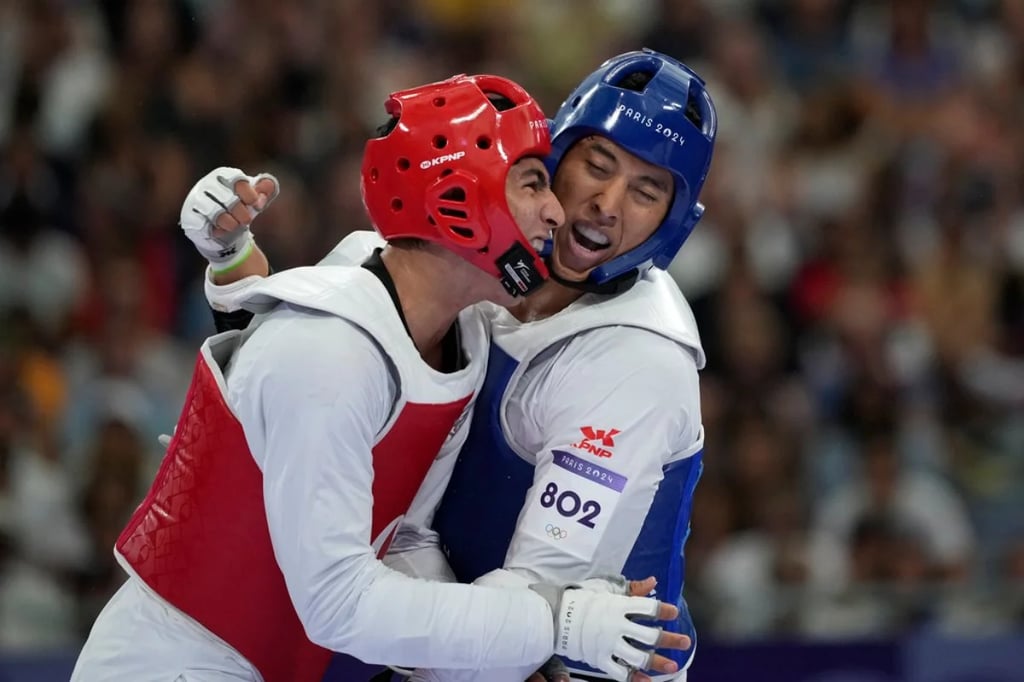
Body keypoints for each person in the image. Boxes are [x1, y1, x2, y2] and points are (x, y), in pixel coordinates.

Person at [70, 73, 690, 682]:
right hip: (172, 661)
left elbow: (403, 534)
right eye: (533, 182)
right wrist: (553, 624)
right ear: (460, 201)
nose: (558, 209)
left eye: (644, 190)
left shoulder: (462, 336)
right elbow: (340, 603)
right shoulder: (328, 351)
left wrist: (503, 653)